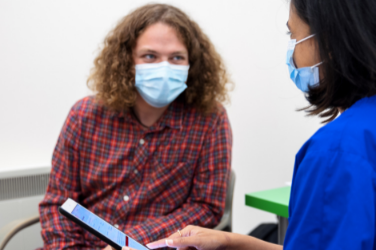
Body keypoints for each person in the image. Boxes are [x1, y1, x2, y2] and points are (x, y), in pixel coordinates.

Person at [136, 0, 376, 249]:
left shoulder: (340, 150)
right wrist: (232, 242)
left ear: (332, 43)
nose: (292, 53)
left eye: (294, 36)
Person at [38, 4, 233, 249]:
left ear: (191, 63)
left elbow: (206, 207)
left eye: (176, 58)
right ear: (127, 60)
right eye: (150, 56)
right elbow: (58, 202)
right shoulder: (84, 115)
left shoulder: (209, 119)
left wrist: (128, 242)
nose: (164, 67)